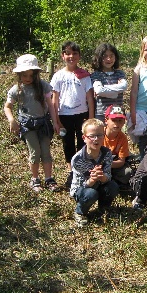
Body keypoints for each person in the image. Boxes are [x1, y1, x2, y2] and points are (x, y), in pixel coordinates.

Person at [4, 54, 60, 192]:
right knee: (35, 151)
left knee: (46, 152)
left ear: (36, 74)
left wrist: (55, 122)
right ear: (19, 75)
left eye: (31, 75)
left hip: (43, 123)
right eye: (24, 75)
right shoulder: (17, 89)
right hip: (28, 126)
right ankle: (35, 179)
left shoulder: (43, 86)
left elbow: (50, 105)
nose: (28, 79)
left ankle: (48, 178)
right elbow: (7, 106)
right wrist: (12, 120)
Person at [51, 41, 94, 187]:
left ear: (79, 56)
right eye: (68, 53)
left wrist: (91, 118)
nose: (71, 56)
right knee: (68, 143)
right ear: (63, 56)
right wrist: (56, 120)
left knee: (83, 142)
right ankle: (71, 171)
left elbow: (90, 97)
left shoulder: (84, 75)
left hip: (82, 113)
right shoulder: (58, 76)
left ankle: (82, 169)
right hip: (64, 115)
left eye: (75, 53)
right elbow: (55, 99)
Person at [70, 119, 119, 227]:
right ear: (84, 138)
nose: (96, 139)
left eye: (100, 135)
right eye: (92, 136)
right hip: (82, 188)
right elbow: (79, 185)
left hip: (100, 184)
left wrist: (102, 177)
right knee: (90, 194)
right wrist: (91, 180)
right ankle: (80, 212)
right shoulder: (78, 159)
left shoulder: (107, 153)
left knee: (113, 186)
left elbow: (108, 175)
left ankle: (104, 208)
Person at [91, 43, 127, 122]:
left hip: (117, 111)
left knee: (116, 134)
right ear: (99, 58)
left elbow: (124, 86)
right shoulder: (96, 75)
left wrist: (105, 89)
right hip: (101, 113)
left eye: (111, 56)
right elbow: (99, 90)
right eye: (105, 56)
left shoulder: (120, 73)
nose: (108, 59)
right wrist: (116, 92)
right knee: (101, 133)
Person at [102, 105, 132, 188]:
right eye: (113, 120)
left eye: (120, 120)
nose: (117, 123)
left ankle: (113, 180)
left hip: (112, 164)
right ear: (106, 120)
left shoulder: (123, 138)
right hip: (98, 164)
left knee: (128, 172)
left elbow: (121, 161)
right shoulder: (99, 134)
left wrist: (107, 165)